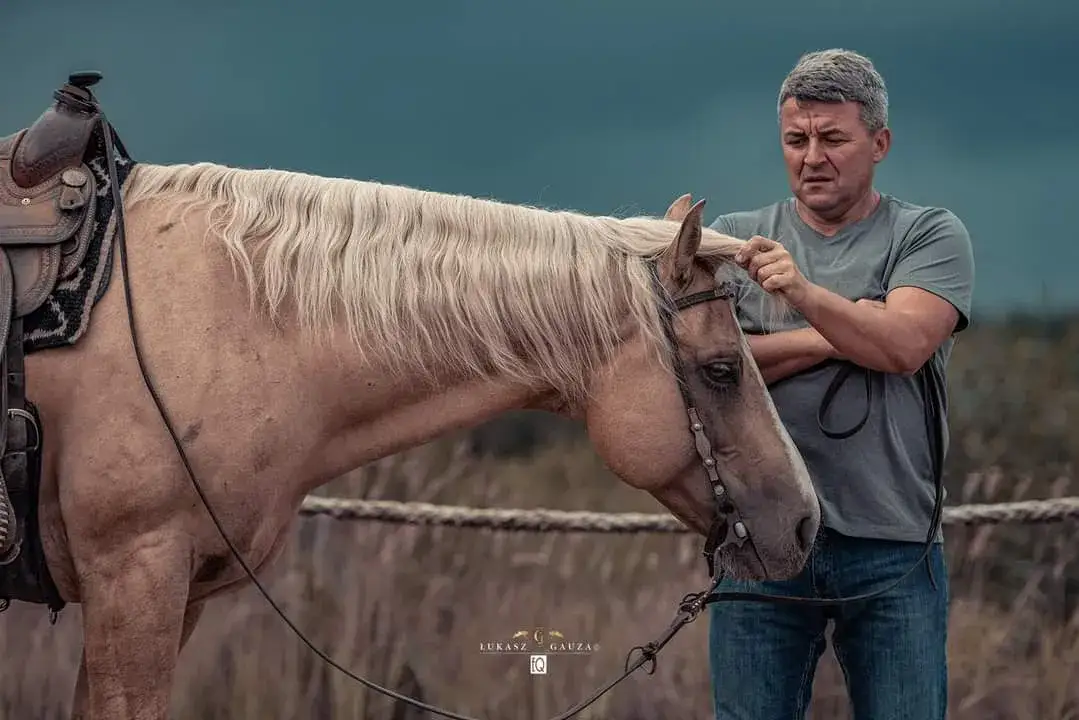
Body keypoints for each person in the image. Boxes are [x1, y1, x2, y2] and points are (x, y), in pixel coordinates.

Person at [703, 48, 975, 719]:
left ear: (878, 143)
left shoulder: (927, 234)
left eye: (832, 139)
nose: (811, 157)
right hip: (758, 545)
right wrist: (851, 328)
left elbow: (906, 345)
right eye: (796, 140)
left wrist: (799, 292)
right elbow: (700, 370)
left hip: (893, 547)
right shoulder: (734, 242)